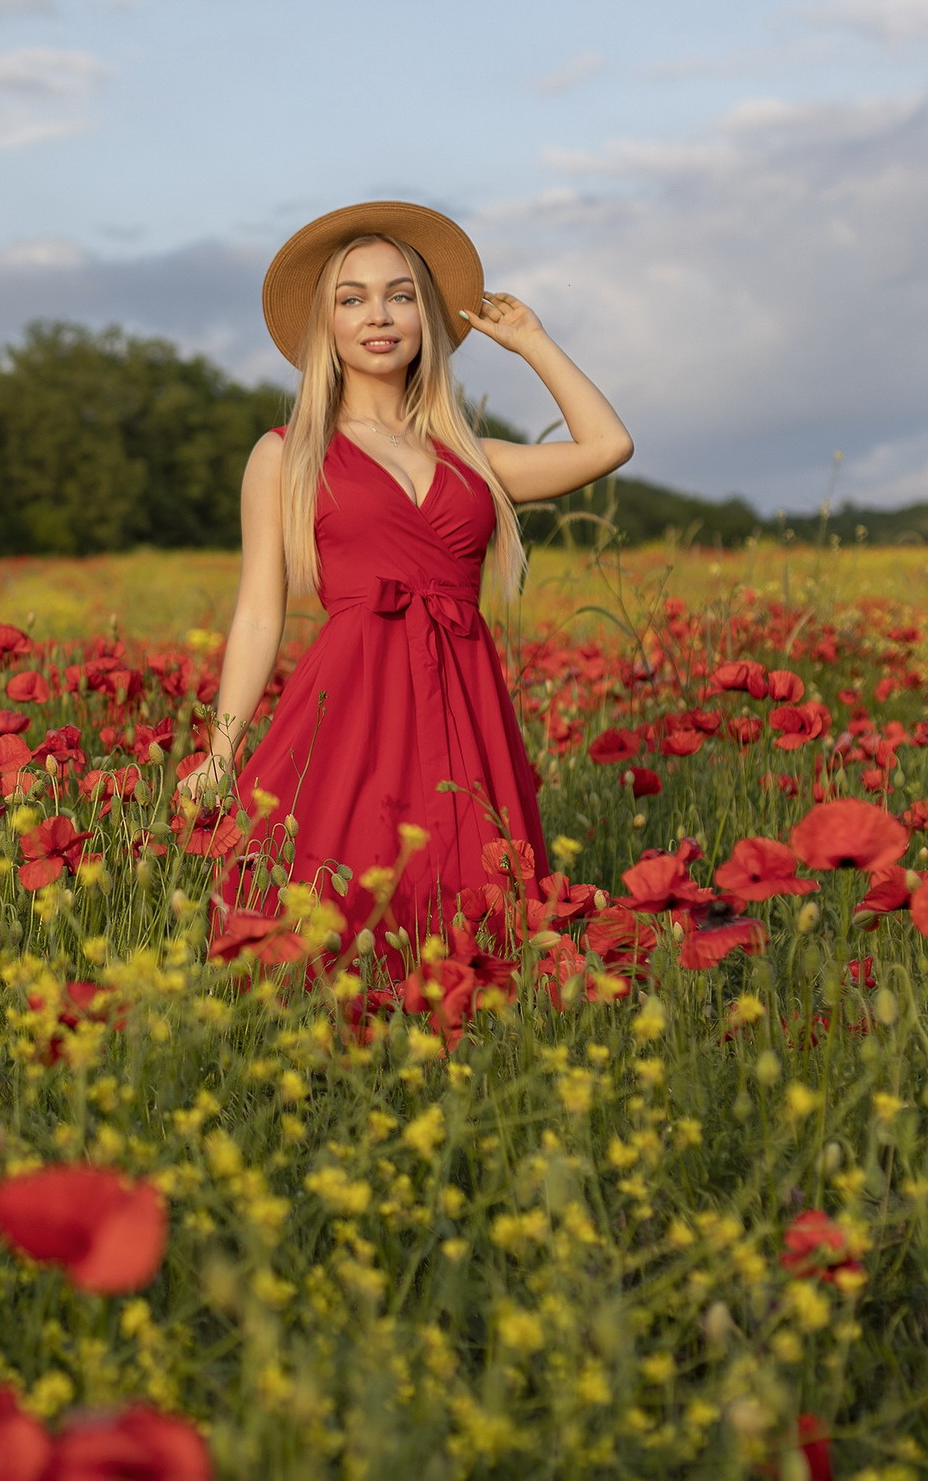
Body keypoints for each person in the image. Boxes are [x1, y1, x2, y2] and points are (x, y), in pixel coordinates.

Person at [178, 200, 632, 976]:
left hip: (463, 701)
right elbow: (258, 613)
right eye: (351, 298)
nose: (378, 316)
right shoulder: (285, 454)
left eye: (401, 295)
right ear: (325, 324)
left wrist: (531, 342)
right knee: (339, 915)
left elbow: (608, 444)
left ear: (428, 316)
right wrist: (221, 753)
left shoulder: (474, 457)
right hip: (351, 701)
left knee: (475, 902)